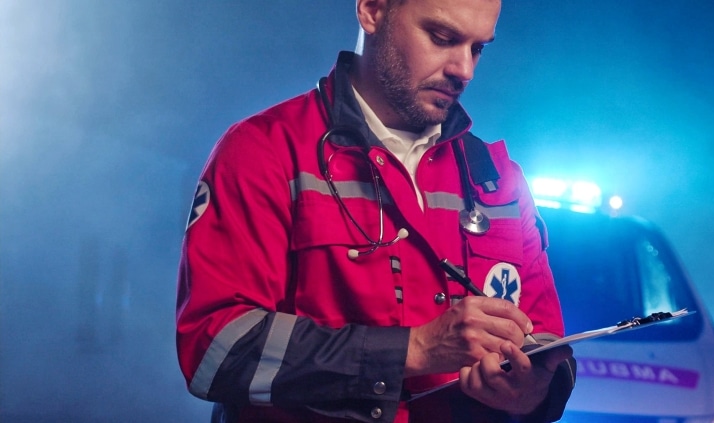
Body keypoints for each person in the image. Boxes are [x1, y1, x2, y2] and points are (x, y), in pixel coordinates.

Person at [174, 0, 575, 421]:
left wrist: (533, 391)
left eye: (478, 49)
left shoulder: (500, 179)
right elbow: (214, 350)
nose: (464, 70)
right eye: (442, 38)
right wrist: (414, 349)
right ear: (372, 11)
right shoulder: (265, 151)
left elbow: (549, 342)